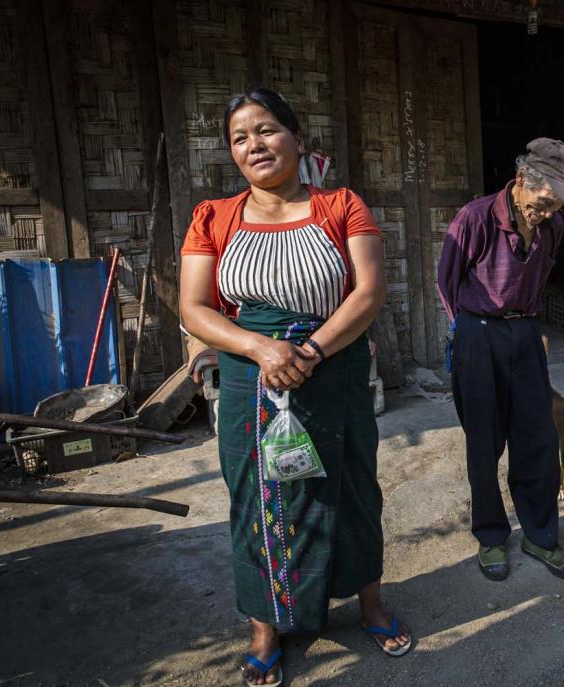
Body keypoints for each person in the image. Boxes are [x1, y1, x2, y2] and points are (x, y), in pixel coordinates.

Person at [179, 87, 410, 686]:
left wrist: (307, 351)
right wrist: (261, 348)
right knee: (257, 496)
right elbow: (194, 307)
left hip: (332, 368)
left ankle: (370, 605)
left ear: (297, 139)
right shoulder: (214, 217)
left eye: (266, 130)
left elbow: (368, 294)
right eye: (239, 137)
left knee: (352, 485)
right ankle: (266, 625)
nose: (253, 144)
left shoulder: (342, 206)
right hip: (249, 377)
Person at [437, 138, 564, 582]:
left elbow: (539, 278)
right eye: (544, 202)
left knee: (538, 436)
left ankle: (540, 535)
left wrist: (527, 328)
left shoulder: (552, 228)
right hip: (477, 332)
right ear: (522, 180)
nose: (548, 213)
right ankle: (490, 535)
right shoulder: (475, 217)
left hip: (525, 331)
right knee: (484, 441)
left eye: (558, 206)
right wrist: (469, 336)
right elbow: (448, 282)